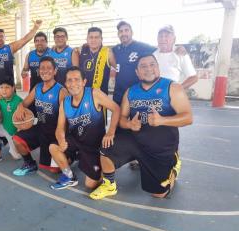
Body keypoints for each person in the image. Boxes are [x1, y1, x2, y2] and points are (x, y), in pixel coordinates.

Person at [89, 54, 193, 200]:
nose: (148, 69)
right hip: (135, 140)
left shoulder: (172, 87)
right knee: (106, 149)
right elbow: (122, 119)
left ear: (158, 68)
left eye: (152, 65)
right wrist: (130, 124)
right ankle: (109, 184)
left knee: (159, 193)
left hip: (161, 145)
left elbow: (188, 117)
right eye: (143, 66)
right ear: (137, 72)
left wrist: (162, 120)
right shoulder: (130, 92)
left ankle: (174, 167)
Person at [49, 66, 120, 190]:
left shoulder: (94, 94)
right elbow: (60, 128)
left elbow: (116, 109)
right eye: (69, 80)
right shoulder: (65, 102)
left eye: (77, 79)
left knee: (90, 185)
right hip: (76, 141)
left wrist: (111, 132)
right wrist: (60, 139)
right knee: (53, 147)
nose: (73, 83)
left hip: (94, 146)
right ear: (65, 83)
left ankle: (103, 167)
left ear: (84, 82)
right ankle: (69, 176)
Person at [12, 56, 68, 176]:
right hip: (40, 128)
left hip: (55, 132)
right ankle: (29, 163)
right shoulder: (37, 88)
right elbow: (24, 103)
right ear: (38, 71)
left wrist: (62, 138)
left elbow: (67, 119)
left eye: (49, 68)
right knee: (17, 139)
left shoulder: (61, 91)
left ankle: (71, 155)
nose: (45, 70)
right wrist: (20, 108)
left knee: (54, 170)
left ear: (55, 71)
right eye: (42, 68)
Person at [112, 21, 156, 105]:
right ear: (118, 34)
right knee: (119, 117)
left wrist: (176, 48)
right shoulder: (116, 49)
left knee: (135, 118)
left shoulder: (142, 46)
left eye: (126, 30)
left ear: (132, 33)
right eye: (121, 31)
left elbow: (159, 50)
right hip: (118, 94)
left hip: (137, 93)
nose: (123, 33)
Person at [153, 25, 198, 89]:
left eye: (167, 36)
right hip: (153, 95)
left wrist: (177, 89)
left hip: (171, 96)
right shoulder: (152, 54)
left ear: (174, 39)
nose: (163, 39)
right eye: (160, 36)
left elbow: (194, 78)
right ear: (157, 39)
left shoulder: (180, 54)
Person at [78, 27, 116, 95]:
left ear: (101, 39)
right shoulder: (81, 50)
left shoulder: (107, 52)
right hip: (82, 94)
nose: (93, 40)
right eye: (91, 37)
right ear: (87, 39)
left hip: (100, 96)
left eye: (97, 37)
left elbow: (119, 69)